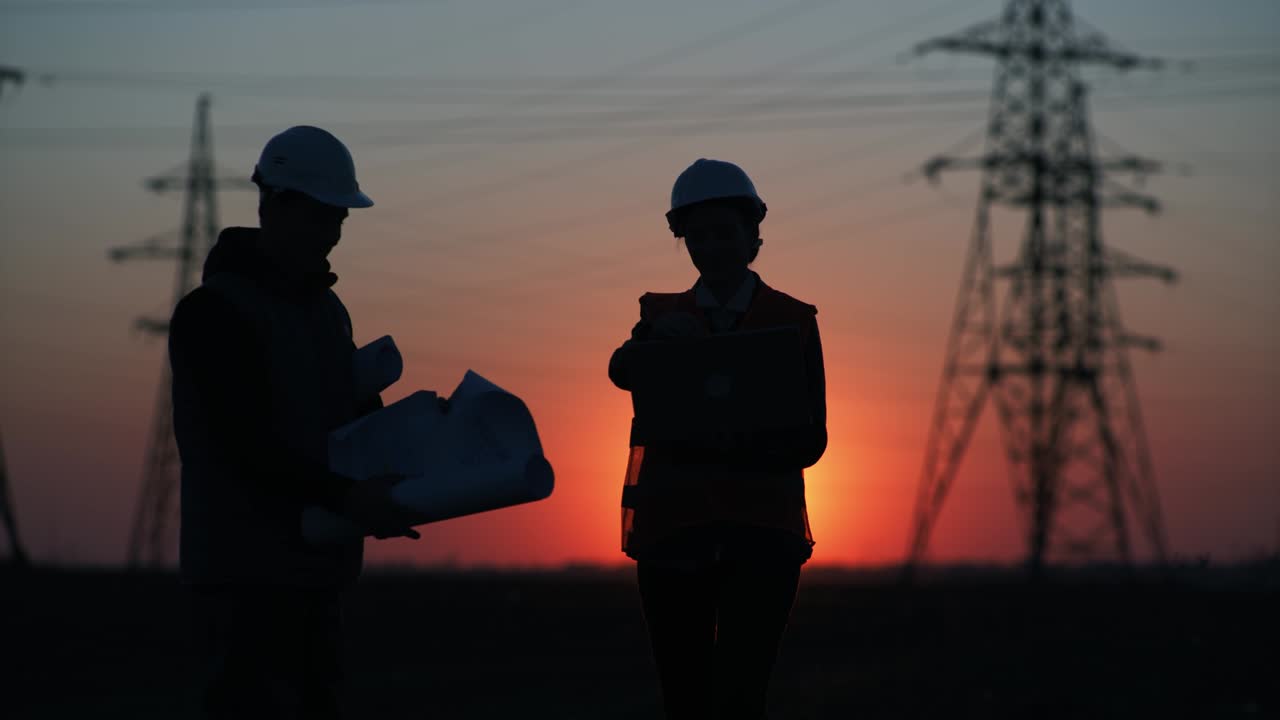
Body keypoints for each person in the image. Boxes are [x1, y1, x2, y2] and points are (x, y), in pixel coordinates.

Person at [170, 126, 419, 719]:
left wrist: (399, 437)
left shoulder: (326, 311)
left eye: (340, 219)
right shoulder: (215, 313)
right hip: (245, 581)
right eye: (321, 216)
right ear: (273, 203)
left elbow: (334, 422)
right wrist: (350, 498)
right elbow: (243, 445)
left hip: (317, 574)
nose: (332, 234)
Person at [608, 158, 828, 719]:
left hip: (762, 537)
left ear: (753, 235)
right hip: (673, 533)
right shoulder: (660, 316)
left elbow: (813, 438)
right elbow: (620, 371)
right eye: (698, 236)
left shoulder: (793, 319)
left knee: (740, 697)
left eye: (724, 233)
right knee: (684, 696)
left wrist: (738, 447)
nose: (711, 247)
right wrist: (650, 340)